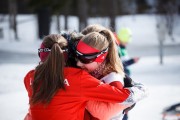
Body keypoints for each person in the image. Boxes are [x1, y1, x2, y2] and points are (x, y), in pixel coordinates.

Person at [24, 34, 147, 120]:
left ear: (41, 55)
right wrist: (139, 89)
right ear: (68, 55)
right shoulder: (77, 78)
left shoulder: (29, 77)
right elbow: (123, 96)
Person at [75, 27, 148, 120]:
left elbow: (105, 114)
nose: (78, 64)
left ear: (101, 58)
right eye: (77, 57)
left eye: (85, 59)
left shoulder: (113, 81)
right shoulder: (90, 72)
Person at [116, 27, 140, 120]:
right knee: (124, 105)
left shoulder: (122, 47)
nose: (128, 43)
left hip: (125, 77)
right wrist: (132, 61)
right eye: (127, 41)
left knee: (127, 105)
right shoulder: (118, 48)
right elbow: (121, 63)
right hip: (121, 79)